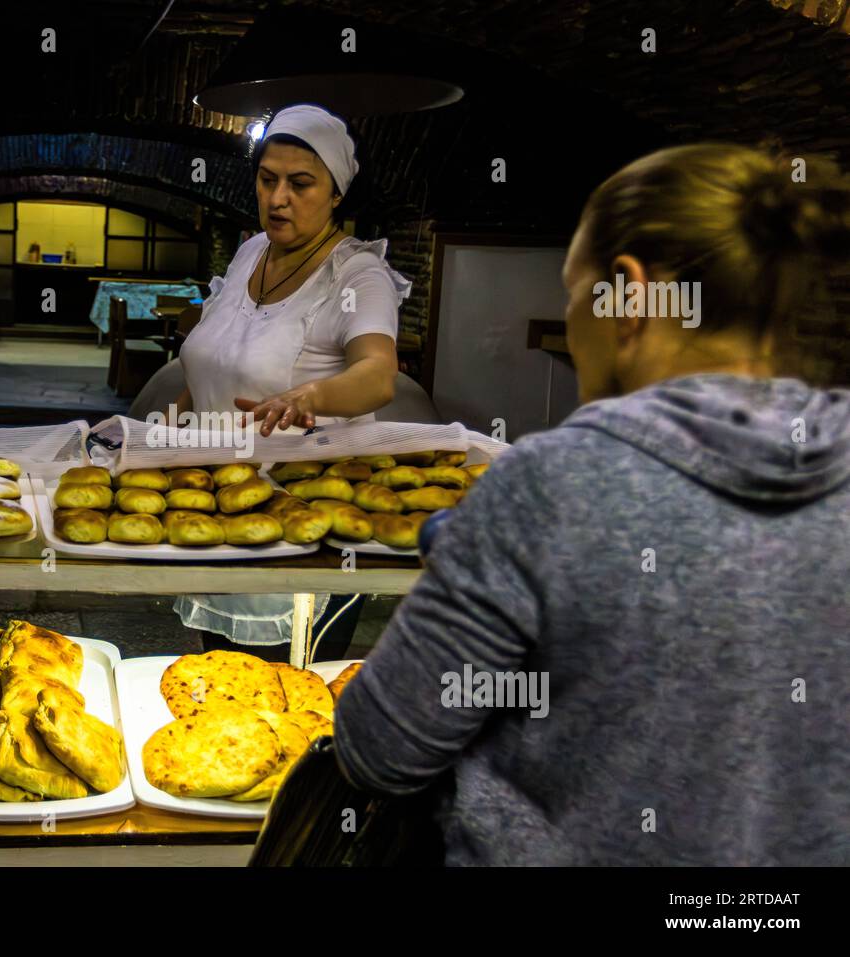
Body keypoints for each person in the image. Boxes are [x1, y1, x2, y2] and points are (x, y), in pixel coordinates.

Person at [333, 143, 850, 865]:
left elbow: (380, 748)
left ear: (629, 297)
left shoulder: (552, 485)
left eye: (575, 294)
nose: (573, 321)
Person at [173, 103, 413, 662]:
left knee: (286, 701)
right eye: (267, 179)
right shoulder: (250, 252)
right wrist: (163, 428)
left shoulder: (356, 274)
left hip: (302, 526)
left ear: (335, 195)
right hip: (216, 505)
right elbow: (215, 360)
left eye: (300, 184)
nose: (278, 198)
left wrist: (311, 395)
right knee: (218, 694)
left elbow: (378, 373)